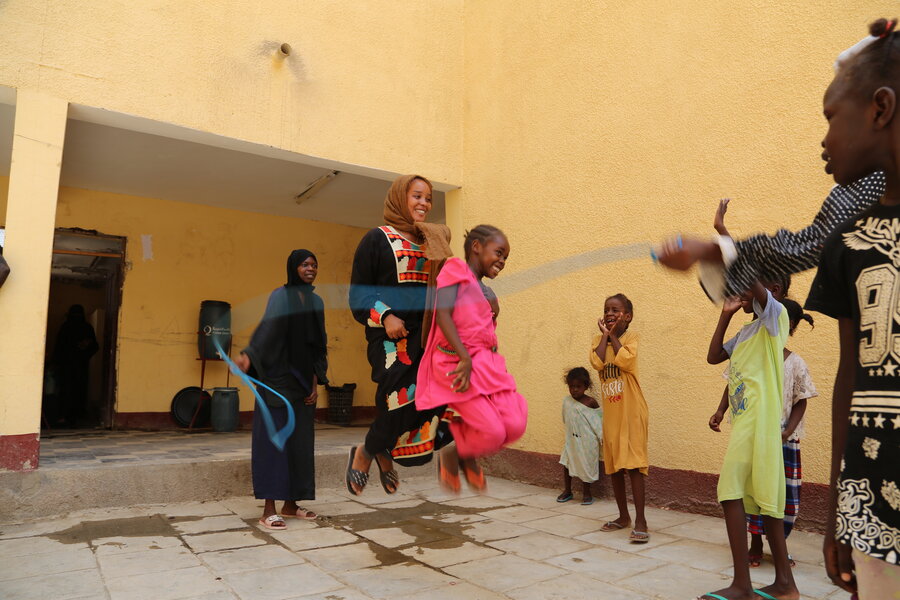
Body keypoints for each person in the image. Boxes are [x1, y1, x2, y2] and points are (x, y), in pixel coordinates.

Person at [805, 18, 900, 599]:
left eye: (830, 118)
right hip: (871, 492)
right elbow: (849, 375)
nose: (823, 139)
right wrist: (844, 505)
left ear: (880, 109)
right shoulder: (847, 240)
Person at [347, 174, 453, 496]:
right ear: (399, 198)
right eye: (416, 196)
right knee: (400, 402)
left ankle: (380, 448)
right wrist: (386, 315)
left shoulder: (432, 241)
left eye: (428, 198)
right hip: (392, 340)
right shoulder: (376, 239)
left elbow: (449, 284)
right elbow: (357, 296)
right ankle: (367, 452)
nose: (423, 204)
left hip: (428, 338)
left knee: (433, 403)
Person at [701, 279, 798, 600]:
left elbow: (756, 284)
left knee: (730, 492)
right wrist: (726, 314)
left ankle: (742, 586)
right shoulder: (746, 333)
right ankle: (785, 584)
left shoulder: (776, 318)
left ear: (773, 289)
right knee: (768, 504)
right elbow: (714, 356)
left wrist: (728, 244)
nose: (739, 289)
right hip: (747, 425)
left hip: (761, 424)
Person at [416, 225, 528, 493]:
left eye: (506, 257)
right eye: (498, 252)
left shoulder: (489, 293)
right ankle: (455, 455)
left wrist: (493, 312)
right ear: (476, 246)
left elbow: (484, 331)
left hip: (487, 366)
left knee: (515, 423)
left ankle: (461, 449)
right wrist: (465, 358)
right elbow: (442, 314)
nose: (502, 261)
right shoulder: (456, 269)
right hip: (456, 364)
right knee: (492, 432)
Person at [709, 298, 816, 570]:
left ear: (785, 324)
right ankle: (756, 545)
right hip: (752, 434)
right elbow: (733, 378)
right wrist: (721, 411)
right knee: (750, 494)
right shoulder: (750, 348)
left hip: (782, 439)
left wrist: (787, 431)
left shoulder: (795, 362)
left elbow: (801, 399)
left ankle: (779, 553)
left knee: (781, 499)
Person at [234, 249, 327, 530]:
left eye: (313, 265)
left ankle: (291, 505)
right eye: (304, 264)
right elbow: (267, 329)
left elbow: (318, 345)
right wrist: (249, 356)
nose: (310, 268)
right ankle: (268, 509)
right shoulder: (281, 296)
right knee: (273, 443)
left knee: (300, 443)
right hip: (275, 379)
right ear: (292, 268)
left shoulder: (316, 302)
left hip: (301, 382)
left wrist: (315, 382)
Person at [589, 294, 650, 543]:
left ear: (628, 316)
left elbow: (625, 360)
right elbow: (597, 361)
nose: (610, 314)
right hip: (612, 414)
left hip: (632, 411)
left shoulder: (631, 339)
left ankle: (641, 521)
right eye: (607, 310)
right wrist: (604, 336)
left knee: (634, 465)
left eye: (616, 310)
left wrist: (612, 335)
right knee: (614, 466)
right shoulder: (598, 340)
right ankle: (623, 516)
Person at [557, 367, 603, 506]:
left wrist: (601, 438)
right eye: (571, 386)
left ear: (586, 386)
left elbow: (598, 422)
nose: (575, 390)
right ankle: (567, 490)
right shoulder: (567, 401)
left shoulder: (591, 403)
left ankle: (587, 492)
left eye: (578, 386)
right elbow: (566, 418)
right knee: (566, 463)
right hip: (571, 440)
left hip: (587, 441)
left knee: (586, 464)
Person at [53, 304, 99, 427]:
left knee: (67, 391)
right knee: (77, 390)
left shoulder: (66, 327)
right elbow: (94, 347)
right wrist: (84, 353)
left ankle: (65, 417)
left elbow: (58, 348)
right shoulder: (86, 327)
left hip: (68, 366)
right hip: (79, 366)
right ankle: (75, 416)